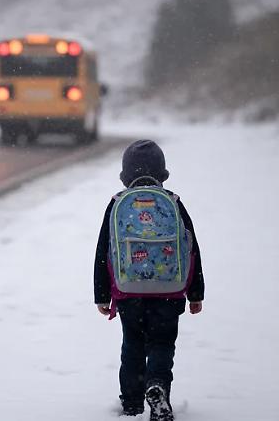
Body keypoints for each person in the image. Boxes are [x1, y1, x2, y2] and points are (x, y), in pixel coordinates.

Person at [94, 140, 205, 420]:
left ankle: (132, 402)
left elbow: (103, 251)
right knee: (163, 343)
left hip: (129, 292)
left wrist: (102, 294)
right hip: (169, 291)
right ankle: (157, 386)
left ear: (125, 176)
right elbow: (191, 248)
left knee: (132, 344)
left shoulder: (118, 204)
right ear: (163, 174)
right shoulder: (174, 203)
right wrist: (195, 292)